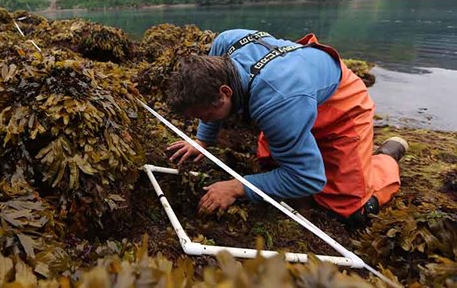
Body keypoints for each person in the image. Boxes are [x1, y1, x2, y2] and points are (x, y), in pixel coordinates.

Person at [166, 29, 408, 226]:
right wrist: (202, 141)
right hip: (295, 95)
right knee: (270, 164)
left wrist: (238, 187)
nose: (206, 121)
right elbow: (213, 108)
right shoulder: (224, 44)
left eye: (207, 115)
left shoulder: (276, 105)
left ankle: (387, 157)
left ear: (225, 92)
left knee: (348, 212)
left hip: (340, 105)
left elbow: (308, 179)